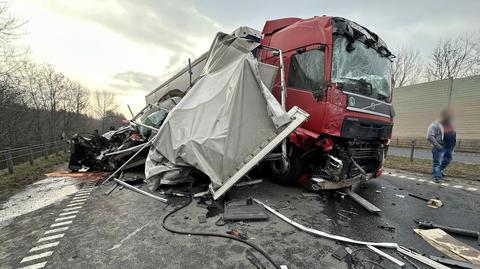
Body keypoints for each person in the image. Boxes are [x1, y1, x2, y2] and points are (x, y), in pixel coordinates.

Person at [426, 108, 456, 183]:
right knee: (437, 162)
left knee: (448, 159)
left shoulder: (449, 124)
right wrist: (438, 145)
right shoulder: (435, 125)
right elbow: (429, 136)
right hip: (440, 146)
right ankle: (437, 176)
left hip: (450, 146)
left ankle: (438, 171)